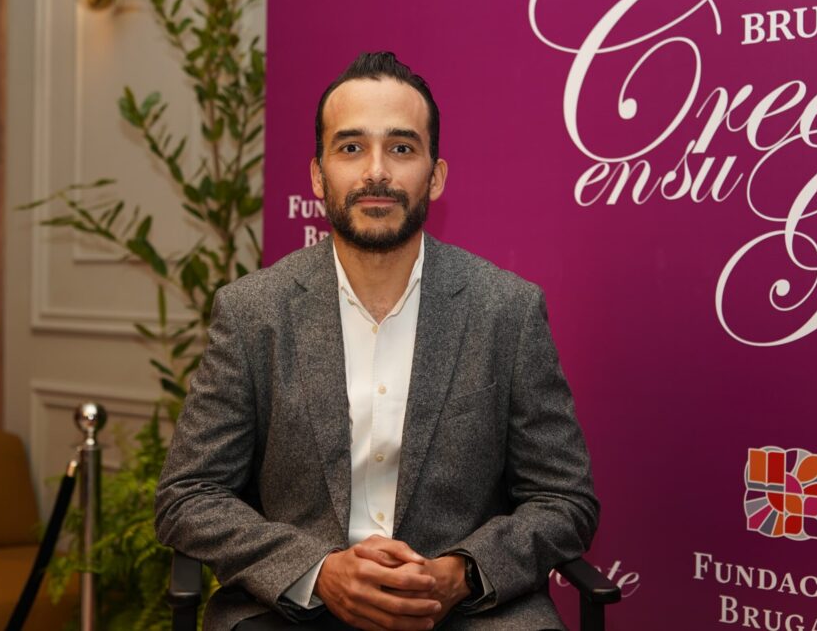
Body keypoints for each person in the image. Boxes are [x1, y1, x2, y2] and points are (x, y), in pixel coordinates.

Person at [155, 51, 599, 631]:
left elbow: (565, 500)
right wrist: (317, 571)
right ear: (318, 175)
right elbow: (189, 494)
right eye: (350, 147)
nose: (376, 172)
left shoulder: (506, 311)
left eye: (401, 148)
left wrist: (461, 573)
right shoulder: (252, 312)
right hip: (296, 611)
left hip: (467, 612)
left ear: (435, 175)